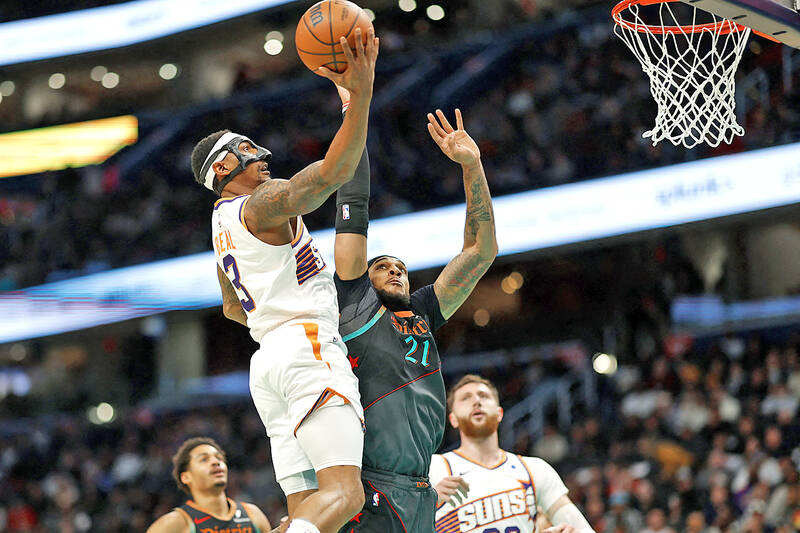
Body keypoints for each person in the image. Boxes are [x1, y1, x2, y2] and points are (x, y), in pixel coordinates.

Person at [190, 29, 379, 533]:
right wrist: (359, 96)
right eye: (248, 149)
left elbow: (233, 307)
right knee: (345, 494)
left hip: (269, 362)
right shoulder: (260, 204)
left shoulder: (220, 225)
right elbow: (333, 173)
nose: (264, 154)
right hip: (306, 348)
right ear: (224, 166)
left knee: (306, 513)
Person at [332, 107, 498, 533]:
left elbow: (481, 251)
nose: (395, 270)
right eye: (382, 266)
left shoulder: (420, 312)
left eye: (401, 268)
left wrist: (472, 165)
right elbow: (354, 205)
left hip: (420, 487)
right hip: (371, 484)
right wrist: (354, 111)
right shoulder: (355, 306)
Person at [429, 375, 595, 533]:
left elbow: (583, 529)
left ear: (499, 413)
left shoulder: (534, 469)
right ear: (453, 419)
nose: (477, 402)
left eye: (484, 396)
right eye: (466, 398)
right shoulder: (433, 468)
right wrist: (424, 505)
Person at [146, 437, 271, 533]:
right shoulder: (174, 523)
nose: (216, 462)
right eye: (204, 459)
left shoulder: (252, 514)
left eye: (219, 458)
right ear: (186, 477)